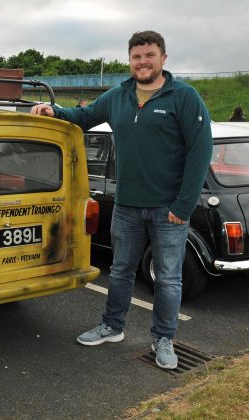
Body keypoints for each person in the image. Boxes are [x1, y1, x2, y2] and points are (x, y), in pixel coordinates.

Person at [31, 30, 213, 370]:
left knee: (170, 279)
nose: (143, 62)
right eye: (136, 56)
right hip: (128, 205)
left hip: (168, 209)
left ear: (163, 59)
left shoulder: (184, 97)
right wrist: (53, 110)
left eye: (150, 55)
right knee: (121, 271)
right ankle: (112, 326)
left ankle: (163, 339)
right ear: (129, 60)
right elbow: (83, 117)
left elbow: (201, 152)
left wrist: (183, 206)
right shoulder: (118, 96)